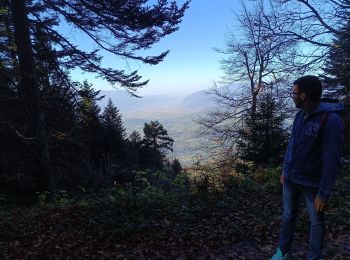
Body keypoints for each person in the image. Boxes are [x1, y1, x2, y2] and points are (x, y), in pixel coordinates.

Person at [271, 75, 344, 260]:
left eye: (294, 92)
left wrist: (323, 193)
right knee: (288, 215)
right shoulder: (300, 114)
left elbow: (332, 160)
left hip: (313, 183)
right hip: (292, 178)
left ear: (304, 95)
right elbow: (292, 145)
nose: (292, 95)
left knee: (316, 222)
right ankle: (283, 252)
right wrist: (285, 170)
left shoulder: (331, 120)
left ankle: (314, 257)